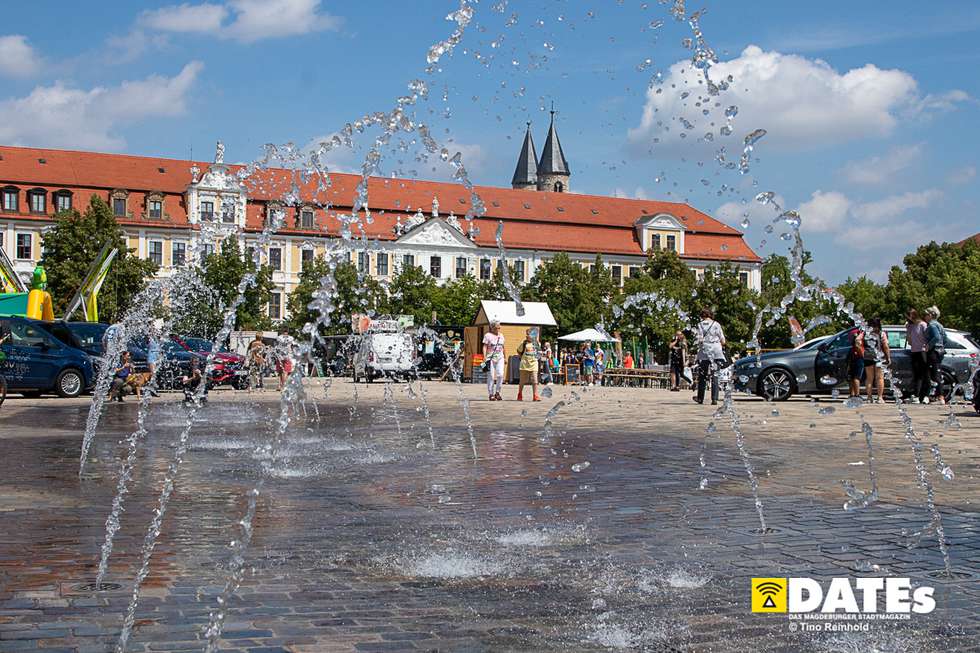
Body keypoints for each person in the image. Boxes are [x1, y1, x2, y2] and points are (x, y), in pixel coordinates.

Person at [694, 309, 726, 405]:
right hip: (716, 351)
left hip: (705, 352)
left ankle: (700, 398)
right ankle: (714, 399)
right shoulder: (716, 324)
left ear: (701, 316)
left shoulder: (700, 325)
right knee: (715, 375)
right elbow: (722, 339)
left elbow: (699, 339)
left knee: (702, 375)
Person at [923, 306, 947, 405]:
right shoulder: (940, 325)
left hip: (933, 351)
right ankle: (935, 396)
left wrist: (929, 345)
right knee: (937, 372)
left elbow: (936, 337)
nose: (924, 316)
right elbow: (945, 338)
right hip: (940, 351)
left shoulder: (932, 325)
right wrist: (941, 346)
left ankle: (940, 397)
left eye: (926, 314)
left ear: (930, 315)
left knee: (933, 374)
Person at [864, 318, 891, 403]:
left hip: (868, 357)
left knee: (869, 378)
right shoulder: (881, 333)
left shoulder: (866, 333)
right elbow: (885, 346)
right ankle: (880, 398)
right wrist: (888, 358)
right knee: (879, 378)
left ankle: (869, 397)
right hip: (879, 357)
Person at [905, 309, 928, 403]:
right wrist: (907, 329)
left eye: (909, 316)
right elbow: (909, 341)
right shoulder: (911, 326)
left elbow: (927, 337)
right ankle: (917, 394)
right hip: (914, 351)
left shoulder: (922, 325)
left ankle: (922, 394)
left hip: (922, 351)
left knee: (923, 374)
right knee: (916, 374)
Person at [482, 321, 505, 401]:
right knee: (491, 376)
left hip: (500, 357)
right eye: (497, 327)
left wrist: (504, 356)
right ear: (492, 328)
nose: (498, 329)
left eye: (499, 327)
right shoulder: (487, 335)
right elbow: (484, 346)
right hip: (490, 358)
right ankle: (491, 394)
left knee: (500, 375)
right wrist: (484, 357)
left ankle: (497, 392)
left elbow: (503, 347)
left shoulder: (501, 335)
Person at [516, 329, 541, 401]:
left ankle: (535, 395)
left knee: (535, 380)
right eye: (527, 335)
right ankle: (520, 394)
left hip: (534, 364)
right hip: (524, 365)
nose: (527, 336)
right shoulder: (524, 344)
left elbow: (539, 352)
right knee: (522, 381)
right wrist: (521, 358)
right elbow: (518, 351)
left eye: (529, 334)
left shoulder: (537, 344)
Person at [847, 325, 866, 399]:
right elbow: (858, 345)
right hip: (858, 357)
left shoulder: (851, 332)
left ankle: (851, 394)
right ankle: (857, 395)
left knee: (851, 377)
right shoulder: (859, 333)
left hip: (852, 356)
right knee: (857, 377)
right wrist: (862, 354)